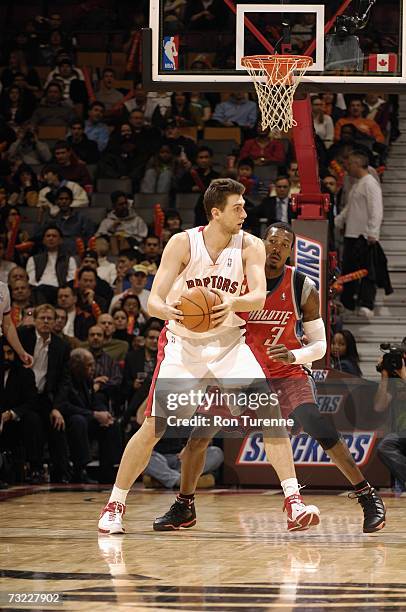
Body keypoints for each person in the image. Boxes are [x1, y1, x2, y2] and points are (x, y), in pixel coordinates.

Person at [98, 178, 320, 535]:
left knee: (269, 412)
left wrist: (229, 302)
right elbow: (154, 302)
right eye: (237, 207)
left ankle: (293, 502)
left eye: (244, 206)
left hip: (230, 344)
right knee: (154, 427)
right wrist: (176, 313)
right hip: (183, 346)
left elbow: (259, 296)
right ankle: (115, 505)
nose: (245, 213)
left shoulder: (250, 246)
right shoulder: (182, 243)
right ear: (216, 213)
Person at [160, 222, 386, 534]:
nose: (276, 249)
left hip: (285, 373)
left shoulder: (301, 286)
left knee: (316, 424)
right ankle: (184, 505)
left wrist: (294, 356)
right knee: (198, 438)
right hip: (238, 373)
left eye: (284, 245)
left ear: (291, 252)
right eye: (272, 242)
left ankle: (367, 496)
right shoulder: (236, 280)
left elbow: (320, 345)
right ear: (260, 243)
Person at [61, 348, 122, 483]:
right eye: (89, 365)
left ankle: (108, 469)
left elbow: (95, 401)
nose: (93, 368)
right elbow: (65, 406)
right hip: (70, 419)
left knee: (112, 425)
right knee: (78, 421)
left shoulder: (87, 380)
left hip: (87, 417)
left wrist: (104, 413)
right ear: (77, 366)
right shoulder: (66, 381)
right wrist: (94, 414)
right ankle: (80, 469)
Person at [334, 152, 383, 318]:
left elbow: (376, 209)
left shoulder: (370, 183)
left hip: (364, 235)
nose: (347, 167)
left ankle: (367, 304)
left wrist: (373, 232)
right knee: (350, 270)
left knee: (366, 271)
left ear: (357, 163)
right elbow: (349, 209)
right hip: (352, 234)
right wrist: (337, 221)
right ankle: (348, 302)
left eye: (349, 164)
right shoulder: (358, 184)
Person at [374, 339, 406, 491]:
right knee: (385, 445)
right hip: (401, 434)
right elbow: (380, 406)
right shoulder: (395, 378)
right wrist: (385, 376)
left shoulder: (402, 374)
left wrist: (403, 374)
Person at [26, 225, 77, 304]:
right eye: (48, 236)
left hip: (59, 291)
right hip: (39, 290)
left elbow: (71, 279)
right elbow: (31, 280)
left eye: (54, 236)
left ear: (60, 240)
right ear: (43, 240)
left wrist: (62, 289)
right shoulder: (33, 259)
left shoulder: (69, 259)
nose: (51, 238)